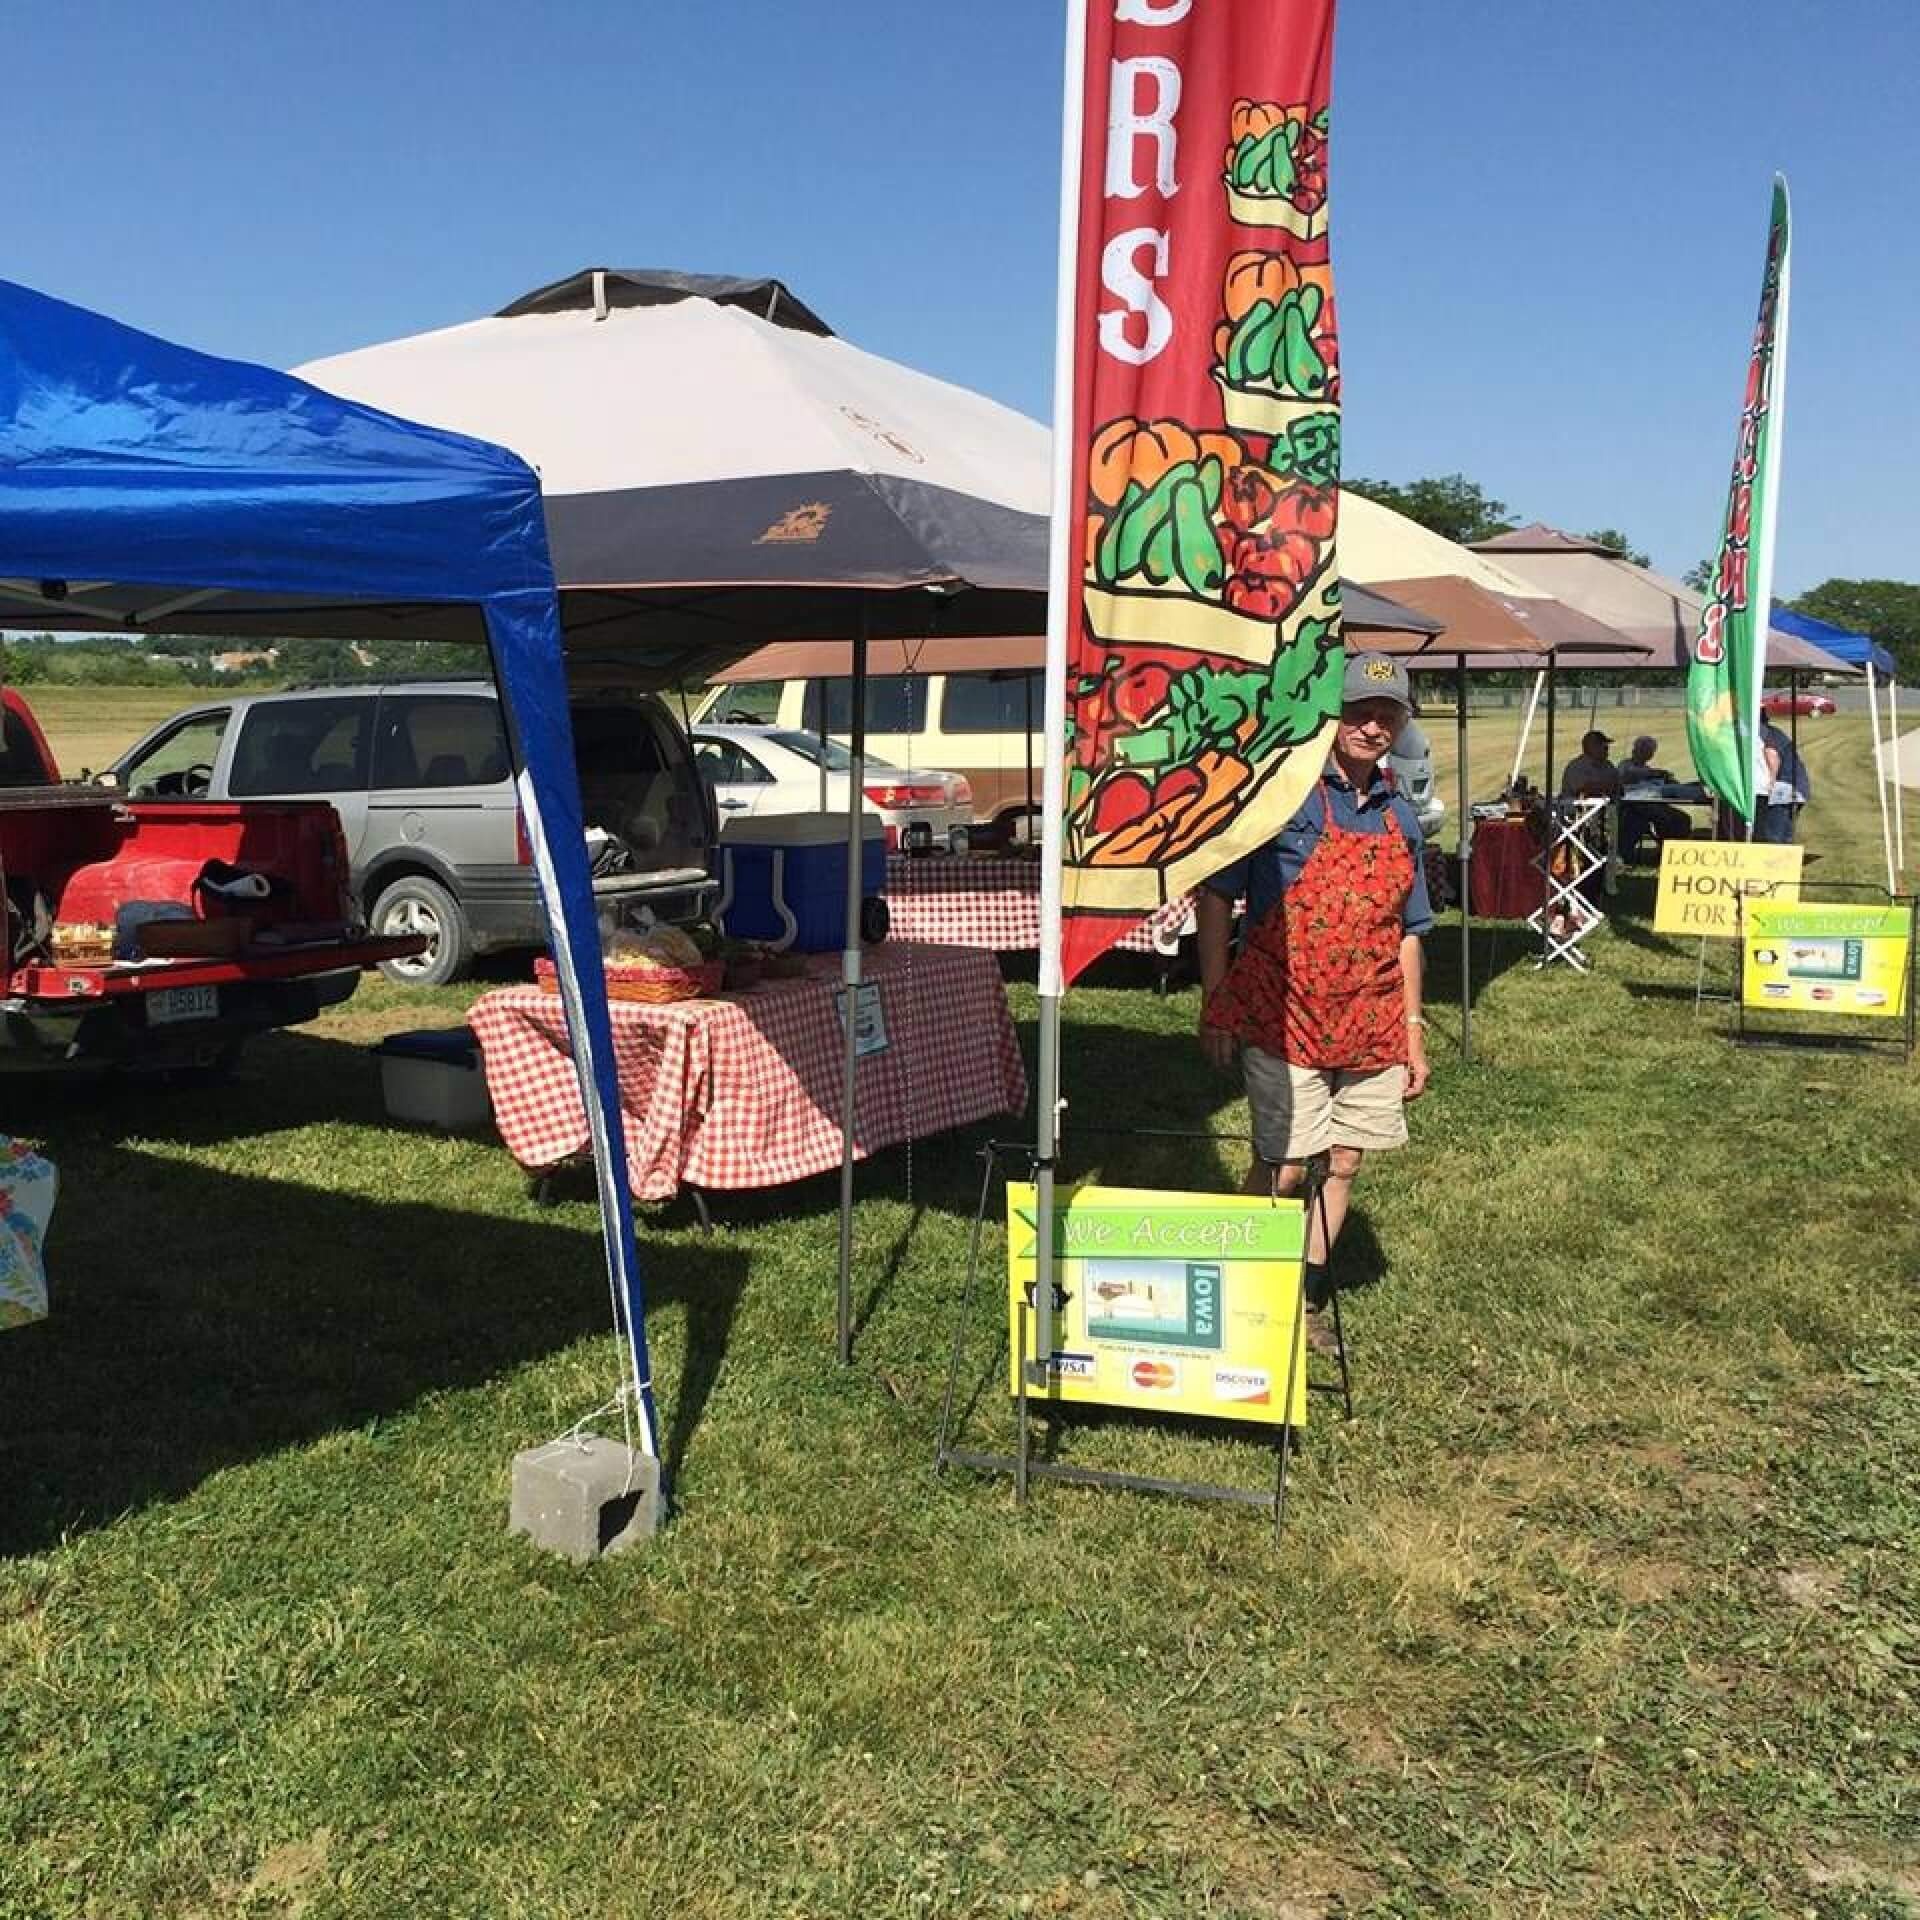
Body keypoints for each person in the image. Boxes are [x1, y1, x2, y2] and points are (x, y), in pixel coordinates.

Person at [1196, 652, 1432, 1352]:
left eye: (1386, 714)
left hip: (1371, 1017)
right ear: (1331, 714)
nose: (1372, 725)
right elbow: (1216, 898)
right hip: (1281, 1012)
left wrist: (1413, 1033)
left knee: (1346, 1163)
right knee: (1287, 1163)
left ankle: (1300, 1300)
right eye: (1359, 710)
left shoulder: (1402, 818)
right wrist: (1216, 997)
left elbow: (1410, 934)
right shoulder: (1281, 797)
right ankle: (1242, 1285)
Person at [1616, 734, 1690, 865]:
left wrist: (1667, 780)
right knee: (1663, 819)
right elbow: (1628, 775)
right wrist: (1655, 774)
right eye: (1644, 751)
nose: (1647, 754)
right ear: (1635, 750)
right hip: (1632, 806)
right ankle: (1664, 851)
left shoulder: (1648, 769)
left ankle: (1671, 853)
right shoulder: (1625, 765)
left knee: (1682, 818)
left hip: (1653, 804)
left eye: (1650, 752)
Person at [1755, 718, 1810, 843]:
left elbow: (1772, 756)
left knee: (1773, 837)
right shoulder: (1772, 731)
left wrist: (1770, 783)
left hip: (1782, 789)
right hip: (1796, 787)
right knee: (1784, 836)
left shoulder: (1761, 732)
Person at [1559, 729, 1621, 799]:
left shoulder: (1608, 765)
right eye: (1605, 747)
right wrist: (1608, 786)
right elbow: (1585, 791)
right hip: (1579, 808)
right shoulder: (1576, 767)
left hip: (1606, 806)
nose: (1607, 751)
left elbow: (1618, 786)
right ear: (1592, 748)